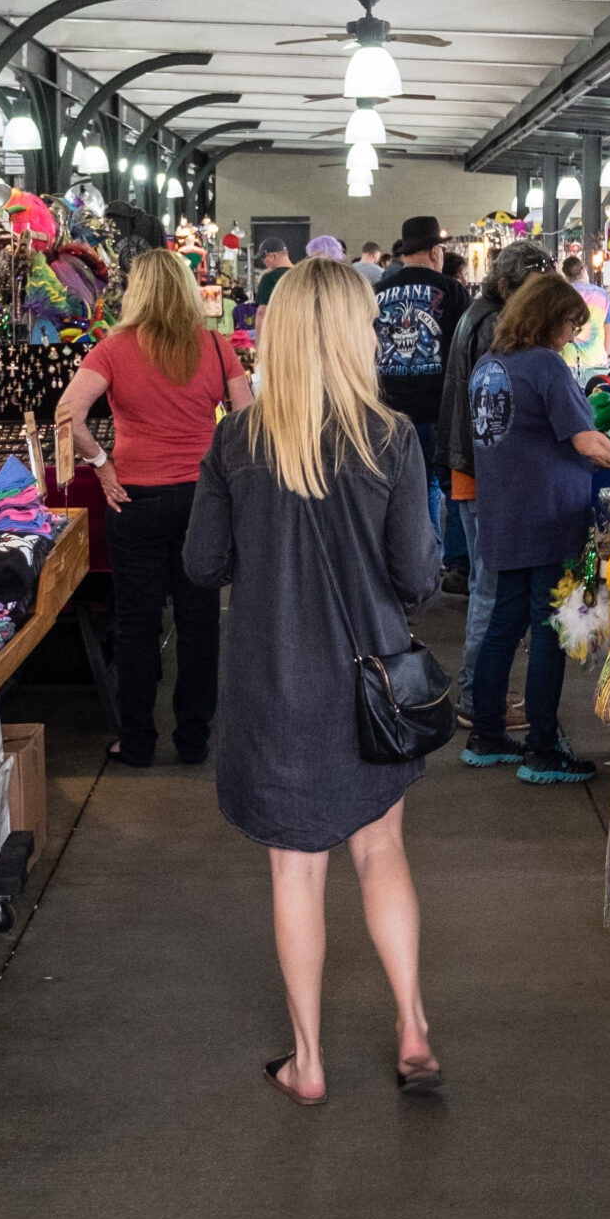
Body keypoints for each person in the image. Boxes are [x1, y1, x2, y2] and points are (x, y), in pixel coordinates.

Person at [184, 258, 442, 1104]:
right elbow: (418, 576)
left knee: (296, 872)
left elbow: (201, 562)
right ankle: (411, 1025)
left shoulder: (236, 443)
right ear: (350, 337)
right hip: (372, 687)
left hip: (273, 685)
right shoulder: (393, 438)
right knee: (382, 850)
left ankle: (309, 1062)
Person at [63, 249, 252, 767]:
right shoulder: (215, 347)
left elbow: (68, 414)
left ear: (136, 292)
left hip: (134, 499)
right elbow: (247, 422)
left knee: (137, 623)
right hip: (202, 501)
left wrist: (102, 465)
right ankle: (194, 740)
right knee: (199, 623)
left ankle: (138, 741)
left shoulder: (114, 348)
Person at [465, 274, 610, 782]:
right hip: (548, 514)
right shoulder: (545, 366)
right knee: (551, 628)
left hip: (504, 514)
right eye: (572, 323)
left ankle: (485, 733)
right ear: (550, 317)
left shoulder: (489, 365)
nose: (574, 334)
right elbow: (585, 440)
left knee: (504, 625)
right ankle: (542, 747)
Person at [438, 240, 553, 734]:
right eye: (530, 291)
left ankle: (480, 693)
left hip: (474, 467)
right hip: (483, 472)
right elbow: (498, 407)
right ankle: (474, 696)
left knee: (492, 588)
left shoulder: (482, 314)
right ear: (506, 286)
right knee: (490, 589)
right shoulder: (492, 324)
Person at [370, 215, 468, 469]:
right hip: (437, 405)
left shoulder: (376, 291)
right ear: (435, 252)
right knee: (444, 481)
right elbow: (466, 344)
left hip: (387, 406)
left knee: (403, 485)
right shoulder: (451, 289)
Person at [560, 253, 610, 383]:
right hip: (596, 361)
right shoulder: (603, 296)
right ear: (583, 270)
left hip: (566, 362)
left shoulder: (561, 296)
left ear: (566, 276)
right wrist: (605, 354)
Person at [253, 237, 293, 306]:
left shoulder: (269, 278)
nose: (263, 261)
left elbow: (261, 312)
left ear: (273, 256)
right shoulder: (302, 275)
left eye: (263, 257)